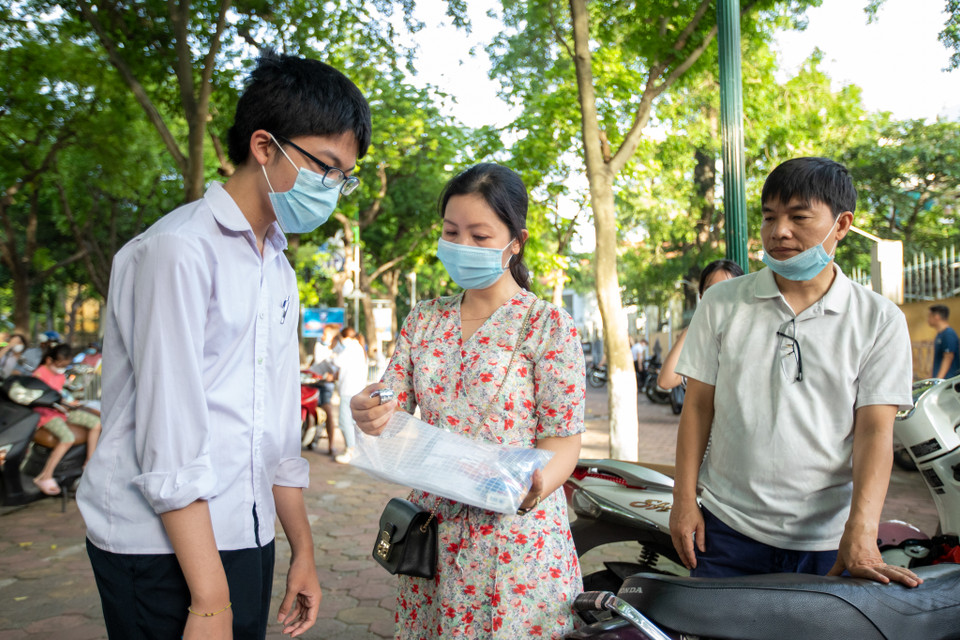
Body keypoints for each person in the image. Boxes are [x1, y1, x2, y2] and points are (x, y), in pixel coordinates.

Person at [77, 50, 371, 640]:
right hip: (157, 546)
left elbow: (276, 429)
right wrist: (210, 601)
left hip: (246, 531)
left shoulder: (277, 266)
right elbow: (170, 436)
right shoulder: (179, 250)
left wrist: (301, 552)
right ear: (265, 146)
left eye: (345, 175)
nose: (334, 188)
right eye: (326, 168)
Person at [351, 163, 585, 639]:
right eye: (451, 232)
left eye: (480, 236)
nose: (462, 247)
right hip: (434, 533)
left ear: (514, 241)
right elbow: (391, 401)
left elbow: (563, 442)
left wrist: (534, 488)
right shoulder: (424, 319)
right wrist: (370, 409)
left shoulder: (547, 326)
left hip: (516, 539)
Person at [669, 157, 922, 588]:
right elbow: (697, 407)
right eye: (769, 217)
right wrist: (683, 501)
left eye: (798, 217)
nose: (778, 231)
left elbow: (875, 432)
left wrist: (861, 531)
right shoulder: (722, 303)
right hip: (727, 529)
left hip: (827, 538)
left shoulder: (878, 319)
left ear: (841, 224)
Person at [657, 260, 744, 391]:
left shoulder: (753, 333)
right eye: (712, 290)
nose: (719, 296)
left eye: (728, 288)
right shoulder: (704, 343)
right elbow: (666, 380)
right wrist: (692, 329)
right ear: (702, 297)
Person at [30, 344, 102, 495]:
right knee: (67, 438)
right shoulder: (39, 374)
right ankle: (45, 476)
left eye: (64, 365)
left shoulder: (61, 376)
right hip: (45, 414)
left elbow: (60, 394)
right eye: (59, 365)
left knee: (96, 423)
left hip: (63, 410)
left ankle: (89, 462)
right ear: (50, 360)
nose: (61, 368)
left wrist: (70, 403)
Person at [331, 327, 367, 464]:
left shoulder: (351, 348)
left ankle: (350, 450)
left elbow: (336, 362)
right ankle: (356, 450)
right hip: (356, 389)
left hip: (348, 390)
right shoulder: (358, 347)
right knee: (353, 422)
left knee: (344, 421)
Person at [309, 324, 342, 455]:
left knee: (328, 412)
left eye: (326, 334)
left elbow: (336, 368)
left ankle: (331, 444)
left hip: (326, 384)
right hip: (314, 381)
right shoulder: (320, 345)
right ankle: (310, 439)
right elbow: (318, 361)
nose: (323, 335)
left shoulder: (339, 349)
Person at [928, 304, 959, 379]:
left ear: (937, 317)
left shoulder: (948, 334)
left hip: (948, 382)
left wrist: (939, 380)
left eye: (929, 316)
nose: (928, 319)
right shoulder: (940, 334)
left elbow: (948, 357)